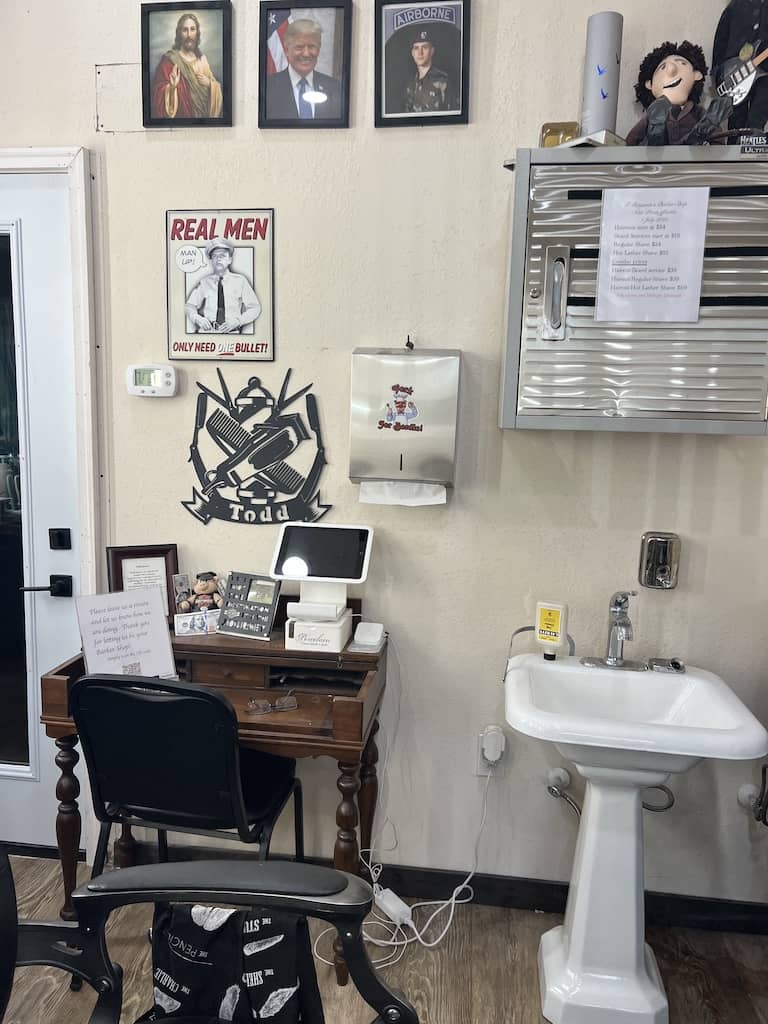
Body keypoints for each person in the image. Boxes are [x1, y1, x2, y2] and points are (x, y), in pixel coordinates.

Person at [626, 40, 731, 145]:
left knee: (695, 142)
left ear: (697, 75)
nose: (671, 69)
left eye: (682, 63)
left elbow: (718, 143)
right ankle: (659, 136)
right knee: (657, 141)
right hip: (663, 152)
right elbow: (631, 141)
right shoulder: (653, 113)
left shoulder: (697, 112)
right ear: (650, 84)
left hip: (689, 151)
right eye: (662, 67)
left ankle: (700, 132)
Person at [151, 11, 223, 120]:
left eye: (192, 29)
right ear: (179, 33)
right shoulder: (169, 61)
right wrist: (172, 88)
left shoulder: (202, 60)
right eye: (185, 30)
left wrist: (210, 84)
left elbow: (216, 90)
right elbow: (157, 95)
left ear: (197, 33)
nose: (189, 35)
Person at [265, 19, 342, 120]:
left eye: (312, 46)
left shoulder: (335, 87)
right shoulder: (268, 87)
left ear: (319, 49)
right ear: (287, 50)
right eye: (299, 47)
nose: (306, 54)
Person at [712, 0, 768, 133]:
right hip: (734, 71)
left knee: (758, 117)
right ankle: (735, 141)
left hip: (765, 73)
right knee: (736, 118)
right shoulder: (734, 7)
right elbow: (721, 39)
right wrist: (717, 71)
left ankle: (753, 139)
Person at [184, 239, 261, 334]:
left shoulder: (240, 281)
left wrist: (238, 321)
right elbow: (189, 306)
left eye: (222, 256)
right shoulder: (204, 282)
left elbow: (255, 308)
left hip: (232, 333)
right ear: (211, 261)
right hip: (207, 333)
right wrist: (197, 318)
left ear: (230, 260)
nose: (218, 259)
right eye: (214, 256)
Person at [402, 27, 458, 113]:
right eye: (416, 48)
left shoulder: (443, 81)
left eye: (424, 47)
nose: (420, 53)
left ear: (432, 51)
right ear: (412, 53)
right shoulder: (411, 84)